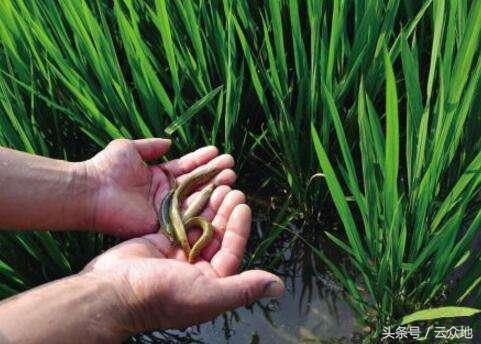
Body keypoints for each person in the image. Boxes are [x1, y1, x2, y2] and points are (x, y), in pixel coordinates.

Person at [0, 138, 284, 343]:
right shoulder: (174, 217)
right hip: (176, 218)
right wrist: (122, 295)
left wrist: (92, 183)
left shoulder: (177, 209)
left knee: (183, 202)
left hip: (176, 215)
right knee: (182, 205)